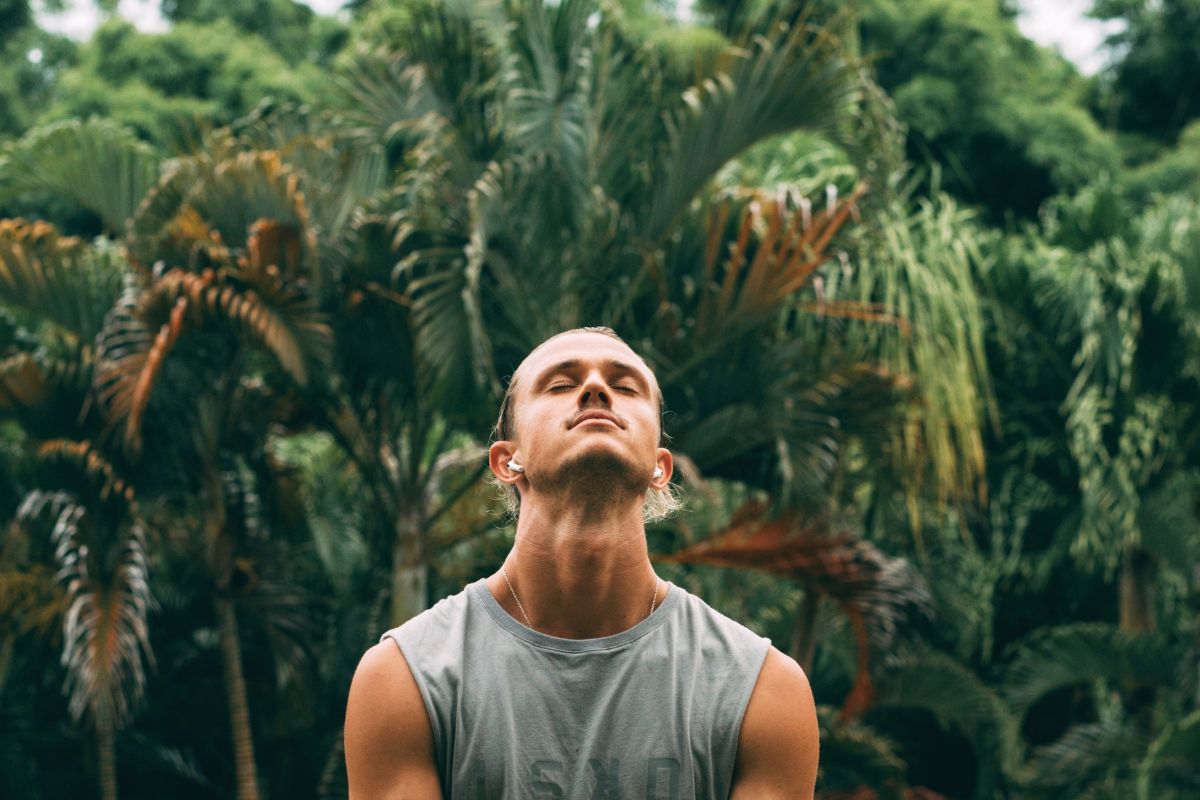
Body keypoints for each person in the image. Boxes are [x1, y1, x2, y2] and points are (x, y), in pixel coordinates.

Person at [344, 327, 819, 799]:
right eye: (561, 384)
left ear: (661, 467)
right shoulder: (405, 678)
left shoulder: (761, 689)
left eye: (625, 385)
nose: (596, 389)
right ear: (508, 461)